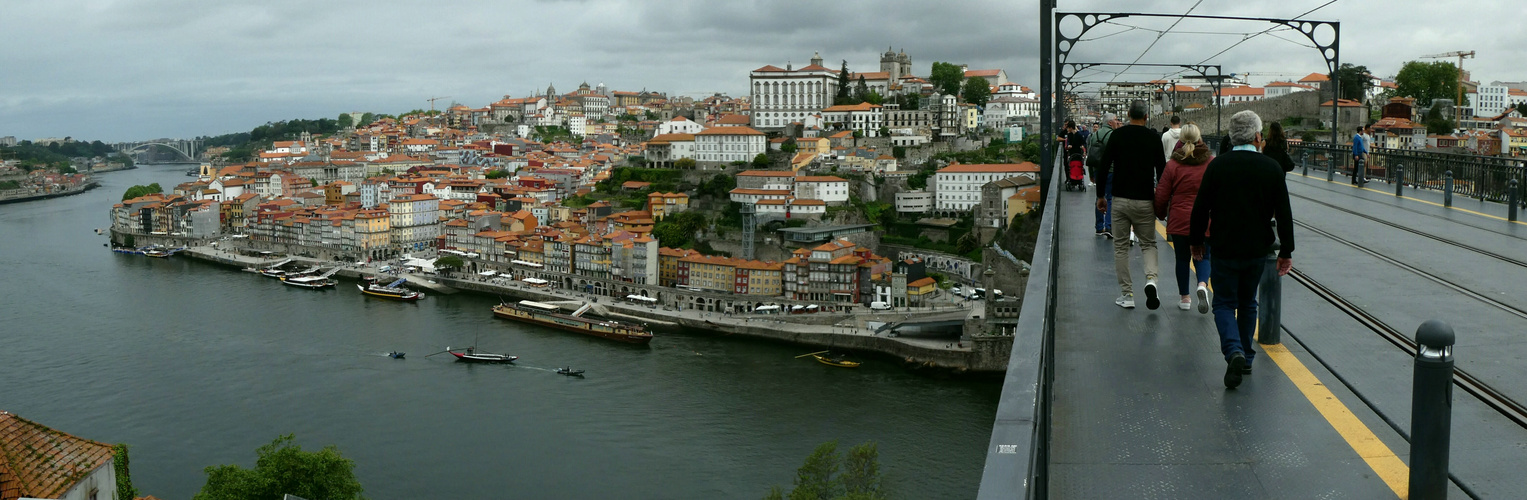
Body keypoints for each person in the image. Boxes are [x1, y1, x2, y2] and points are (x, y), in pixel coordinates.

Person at [1189, 110, 1295, 389]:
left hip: (1223, 246)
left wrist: (1197, 240)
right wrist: (1286, 250)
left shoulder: (1217, 166)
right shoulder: (1271, 167)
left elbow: (1201, 207)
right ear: (1258, 137)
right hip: (1256, 248)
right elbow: (1284, 213)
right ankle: (1246, 356)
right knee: (1248, 302)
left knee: (1223, 303)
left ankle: (1233, 350)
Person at [1096, 101, 1166, 309]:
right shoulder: (1154, 138)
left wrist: (1101, 196)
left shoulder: (1117, 136)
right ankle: (1151, 280)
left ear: (1128, 115)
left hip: (1120, 200)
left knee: (1121, 247)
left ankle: (1127, 295)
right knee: (1148, 244)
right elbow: (1162, 172)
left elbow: (1103, 166)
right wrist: (1161, 199)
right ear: (1146, 117)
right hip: (1145, 200)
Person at [1155, 123, 1214, 313]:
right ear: (1200, 139)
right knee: (1204, 256)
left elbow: (1162, 193)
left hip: (1179, 219)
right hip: (1205, 219)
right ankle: (1203, 285)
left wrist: (1161, 213)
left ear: (1180, 141)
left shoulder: (1173, 164)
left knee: (1181, 258)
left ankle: (1185, 298)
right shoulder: (1210, 162)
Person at [1086, 114, 1118, 237]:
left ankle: (1099, 227)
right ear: (1110, 123)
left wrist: (1090, 173)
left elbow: (1090, 155)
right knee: (1110, 198)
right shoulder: (1113, 135)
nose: (1117, 122)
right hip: (1110, 170)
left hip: (1096, 170)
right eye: (1115, 120)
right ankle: (1108, 226)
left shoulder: (1094, 135)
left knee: (1099, 197)